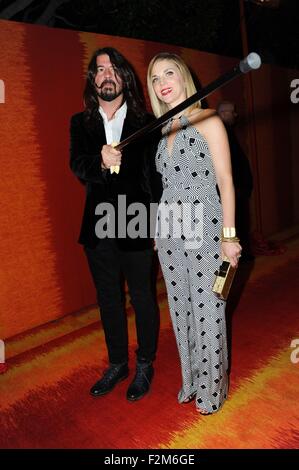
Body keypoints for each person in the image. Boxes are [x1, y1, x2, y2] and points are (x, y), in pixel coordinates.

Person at [147, 52, 241, 414]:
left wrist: (229, 238)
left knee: (209, 309)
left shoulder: (207, 120)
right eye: (155, 78)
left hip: (205, 227)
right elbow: (167, 187)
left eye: (168, 72)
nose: (162, 81)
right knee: (181, 307)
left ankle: (212, 391)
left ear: (184, 77)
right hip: (170, 233)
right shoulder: (164, 130)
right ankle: (192, 380)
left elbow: (226, 181)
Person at [70, 47, 162, 402]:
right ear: (93, 80)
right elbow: (78, 165)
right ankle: (118, 363)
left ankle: (145, 363)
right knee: (108, 299)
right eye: (99, 69)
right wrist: (100, 161)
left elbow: (155, 178)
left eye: (112, 68)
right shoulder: (80, 123)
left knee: (142, 297)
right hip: (98, 226)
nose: (106, 74)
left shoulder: (146, 123)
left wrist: (157, 224)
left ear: (124, 77)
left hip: (137, 221)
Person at [217, 101, 254, 261]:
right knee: (237, 224)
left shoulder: (228, 131)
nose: (235, 115)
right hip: (232, 191)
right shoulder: (221, 132)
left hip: (237, 190)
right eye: (232, 112)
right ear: (224, 113)